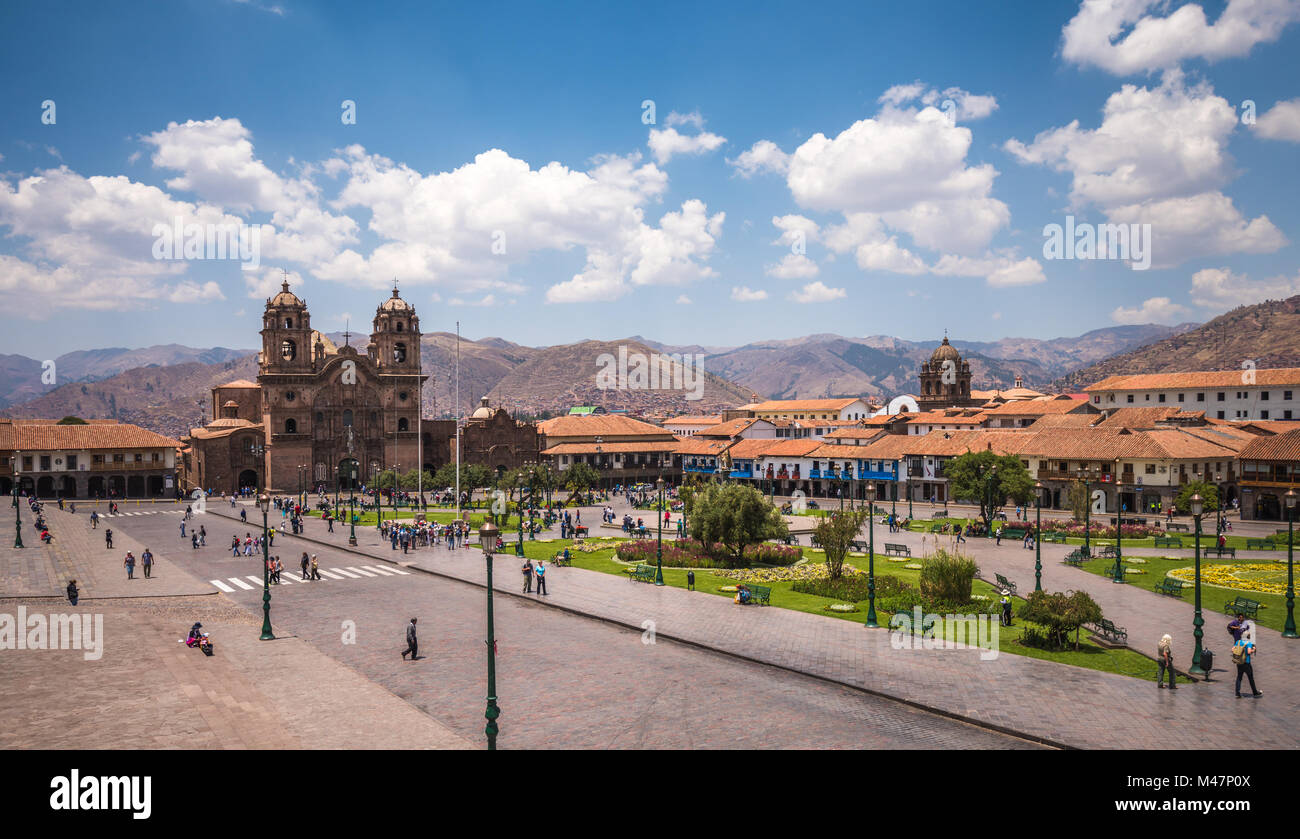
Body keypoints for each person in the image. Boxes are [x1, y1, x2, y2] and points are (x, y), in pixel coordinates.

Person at [1233, 625, 1262, 698]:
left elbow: (1232, 649)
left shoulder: (1238, 642)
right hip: (1246, 663)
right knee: (1250, 678)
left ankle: (1237, 692)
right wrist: (1254, 649)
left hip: (1239, 662)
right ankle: (1255, 692)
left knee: (1239, 677)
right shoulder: (1248, 643)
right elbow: (1249, 652)